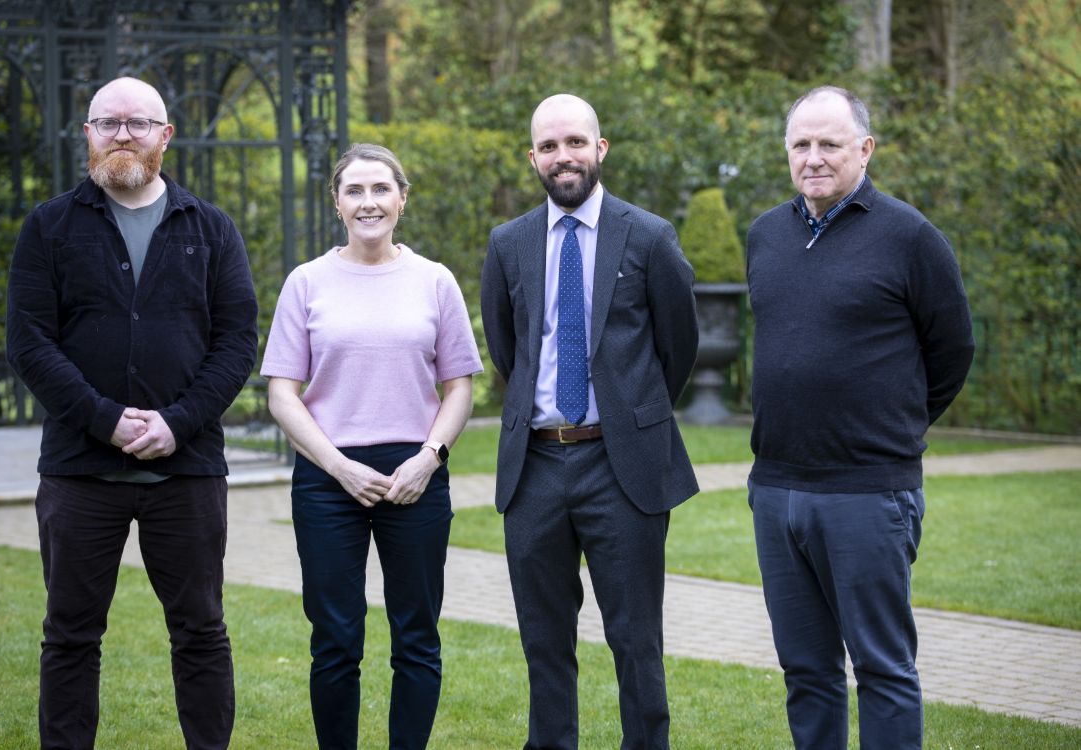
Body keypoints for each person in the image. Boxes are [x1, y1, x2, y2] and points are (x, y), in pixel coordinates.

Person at [5, 76, 258, 748]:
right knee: (69, 635)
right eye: (107, 122)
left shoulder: (211, 229)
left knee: (201, 630)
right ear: (87, 133)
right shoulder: (49, 226)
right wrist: (104, 418)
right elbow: (29, 342)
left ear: (165, 135)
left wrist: (177, 421)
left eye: (138, 123)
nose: (123, 134)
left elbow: (236, 343)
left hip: (189, 470)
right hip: (79, 471)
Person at [745, 85, 976, 749]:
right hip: (776, 489)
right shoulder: (765, 235)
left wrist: (893, 425)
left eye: (829, 144)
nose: (812, 158)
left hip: (868, 493)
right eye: (800, 144)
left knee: (881, 667)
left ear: (865, 150)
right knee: (806, 671)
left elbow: (951, 350)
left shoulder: (909, 237)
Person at [480, 93, 699, 750]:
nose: (562, 156)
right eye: (548, 146)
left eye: (574, 142)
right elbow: (506, 348)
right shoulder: (509, 242)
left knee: (635, 640)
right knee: (543, 641)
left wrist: (631, 414)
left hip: (621, 466)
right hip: (535, 467)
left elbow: (676, 346)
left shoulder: (649, 236)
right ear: (533, 158)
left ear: (599, 149)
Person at [262, 143, 482, 750]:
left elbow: (459, 387)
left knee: (417, 636)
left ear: (402, 199)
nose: (368, 203)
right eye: (354, 191)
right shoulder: (306, 283)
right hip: (328, 478)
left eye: (380, 190)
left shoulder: (434, 281)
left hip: (416, 474)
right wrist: (337, 468)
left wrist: (429, 458)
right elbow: (283, 394)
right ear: (336, 202)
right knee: (335, 639)